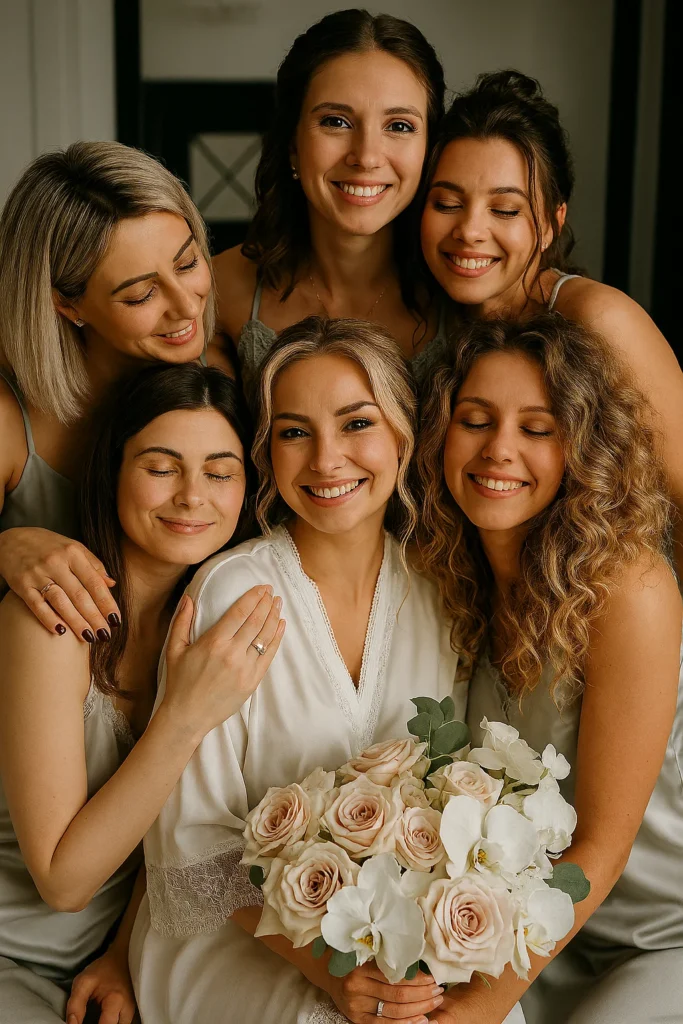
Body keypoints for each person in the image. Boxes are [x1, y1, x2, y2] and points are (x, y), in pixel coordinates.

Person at [128, 316, 493, 1024]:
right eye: (294, 432)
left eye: (356, 424)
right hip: (234, 940)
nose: (327, 460)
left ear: (401, 434)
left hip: (395, 937)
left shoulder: (440, 593)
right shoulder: (231, 594)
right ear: (267, 452)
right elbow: (191, 839)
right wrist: (331, 975)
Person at [415, 314, 683, 1024]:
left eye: (537, 429)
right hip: (519, 931)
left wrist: (487, 1002)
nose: (498, 450)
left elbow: (603, 844)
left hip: (658, 937)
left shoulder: (630, 589)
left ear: (580, 448)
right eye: (474, 420)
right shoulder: (448, 575)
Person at [0, 363, 284, 1024]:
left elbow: (180, 831)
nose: (192, 497)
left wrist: (123, 952)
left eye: (220, 472)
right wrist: (183, 716)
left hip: (130, 960)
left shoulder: (223, 624)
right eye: (161, 467)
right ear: (113, 470)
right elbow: (64, 882)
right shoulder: (49, 620)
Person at [420, 69, 683, 577]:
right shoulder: (429, 319)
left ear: (553, 222)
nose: (470, 230)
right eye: (447, 203)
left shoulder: (598, 320)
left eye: (506, 210)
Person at [0, 140, 235, 640]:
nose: (187, 307)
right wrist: (7, 548)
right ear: (66, 305)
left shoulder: (220, 372)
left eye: (189, 263)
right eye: (141, 294)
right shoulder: (5, 417)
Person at [213, 9, 451, 392]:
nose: (367, 156)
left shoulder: (464, 297)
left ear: (430, 148)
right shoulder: (219, 290)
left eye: (399, 126)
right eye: (336, 122)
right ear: (293, 146)